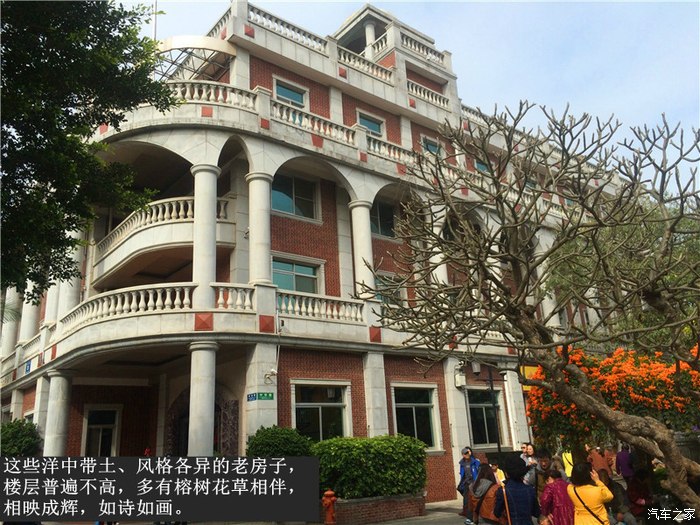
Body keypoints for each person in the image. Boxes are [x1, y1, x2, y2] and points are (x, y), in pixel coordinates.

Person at [495, 455, 540, 525]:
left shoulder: (503, 491)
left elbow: (497, 513)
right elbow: (536, 513)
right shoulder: (530, 489)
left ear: (507, 473)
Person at [458, 446, 481, 520]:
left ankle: (475, 513)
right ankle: (467, 513)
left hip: (474, 482)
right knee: (466, 499)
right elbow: (462, 473)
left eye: (468, 453)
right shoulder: (462, 463)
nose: (467, 454)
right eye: (465, 453)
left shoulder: (475, 462)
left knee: (474, 498)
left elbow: (479, 470)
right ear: (463, 455)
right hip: (466, 483)